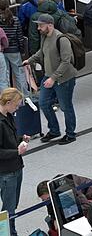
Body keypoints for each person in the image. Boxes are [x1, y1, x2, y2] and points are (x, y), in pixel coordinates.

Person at [24, 14, 77, 145]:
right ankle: (54, 130)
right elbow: (41, 52)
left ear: (50, 25)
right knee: (43, 103)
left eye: (41, 25)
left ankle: (71, 134)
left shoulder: (61, 39)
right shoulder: (44, 37)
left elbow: (66, 61)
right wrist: (29, 60)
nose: (38, 28)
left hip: (64, 79)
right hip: (49, 76)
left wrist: (53, 78)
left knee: (66, 107)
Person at [0, 88, 28, 236]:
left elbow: (9, 140)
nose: (17, 108)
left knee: (12, 205)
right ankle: (9, 233)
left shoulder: (8, 116)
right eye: (16, 105)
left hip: (16, 167)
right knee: (8, 209)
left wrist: (20, 139)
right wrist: (16, 152)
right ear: (8, 102)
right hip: (6, 172)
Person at [0, 0, 28, 94]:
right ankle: (24, 97)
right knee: (19, 74)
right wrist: (22, 49)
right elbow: (19, 36)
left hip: (2, 51)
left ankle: (8, 98)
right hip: (14, 50)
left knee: (5, 76)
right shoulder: (15, 19)